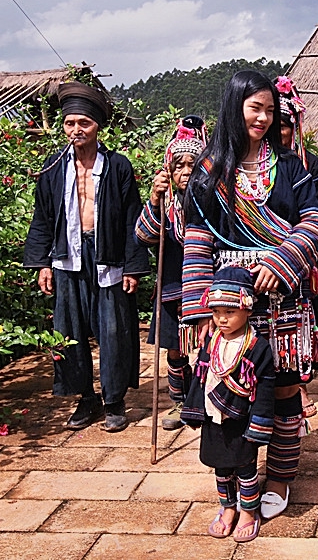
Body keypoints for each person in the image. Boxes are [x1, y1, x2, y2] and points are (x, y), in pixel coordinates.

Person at [182, 70, 318, 520]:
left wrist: (282, 261)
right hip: (228, 305)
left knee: (282, 393)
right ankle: (237, 488)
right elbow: (197, 239)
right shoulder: (209, 171)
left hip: (284, 301)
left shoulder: (291, 165)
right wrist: (199, 309)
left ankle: (280, 476)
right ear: (234, 107)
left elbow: (316, 219)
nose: (263, 118)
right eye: (254, 108)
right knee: (229, 397)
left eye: (269, 109)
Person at [23, 81, 149, 432]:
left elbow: (131, 218)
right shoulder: (53, 168)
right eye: (70, 123)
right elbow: (43, 216)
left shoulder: (117, 166)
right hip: (67, 255)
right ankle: (84, 397)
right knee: (70, 330)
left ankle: (113, 400)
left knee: (114, 329)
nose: (76, 130)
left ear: (98, 127)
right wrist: (42, 263)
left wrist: (132, 266)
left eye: (84, 123)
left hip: (107, 254)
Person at [180, 267, 274, 543]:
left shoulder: (258, 347)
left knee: (245, 467)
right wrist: (194, 409)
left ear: (247, 309)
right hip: (213, 415)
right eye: (216, 312)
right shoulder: (211, 341)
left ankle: (248, 511)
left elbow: (265, 389)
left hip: (241, 417)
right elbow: (199, 376)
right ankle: (227, 508)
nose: (221, 319)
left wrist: (259, 425)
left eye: (229, 313)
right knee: (220, 467)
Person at [135, 116, 207, 430]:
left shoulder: (211, 201)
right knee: (175, 350)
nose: (186, 171)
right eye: (179, 165)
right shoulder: (165, 204)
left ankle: (203, 399)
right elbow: (143, 235)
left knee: (208, 345)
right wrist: (154, 199)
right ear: (169, 169)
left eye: (193, 163)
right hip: (171, 286)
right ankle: (179, 402)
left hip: (204, 287)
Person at [275, 76, 318, 420]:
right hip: (258, 255)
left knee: (300, 323)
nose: (281, 132)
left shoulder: (308, 165)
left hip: (299, 254)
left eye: (286, 126)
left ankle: (299, 382)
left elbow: (317, 210)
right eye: (276, 125)